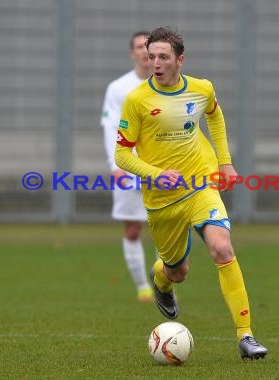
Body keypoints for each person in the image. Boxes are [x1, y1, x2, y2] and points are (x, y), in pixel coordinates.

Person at [115, 27, 268, 360]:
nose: (154, 61)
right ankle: (162, 280)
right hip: (161, 200)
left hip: (201, 185)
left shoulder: (201, 89)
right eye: (150, 55)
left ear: (179, 60)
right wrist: (156, 174)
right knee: (177, 272)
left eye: (162, 56)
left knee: (222, 247)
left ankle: (246, 335)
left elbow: (214, 114)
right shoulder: (137, 99)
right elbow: (122, 155)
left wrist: (225, 163)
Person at [101, 31, 154, 302]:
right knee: (133, 228)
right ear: (132, 53)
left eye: (149, 46)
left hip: (163, 167)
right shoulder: (118, 88)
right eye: (139, 47)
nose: (145, 51)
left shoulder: (170, 86)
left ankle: (165, 286)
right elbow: (111, 127)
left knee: (167, 227)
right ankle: (143, 286)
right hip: (130, 167)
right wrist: (116, 165)